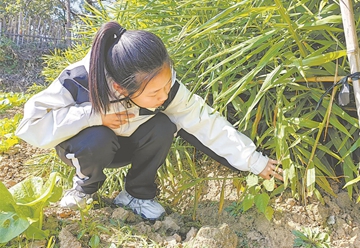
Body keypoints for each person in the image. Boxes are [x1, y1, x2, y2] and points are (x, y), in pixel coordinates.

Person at [15, 21, 283, 221]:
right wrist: (93, 115)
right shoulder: (78, 79)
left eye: (167, 85)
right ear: (121, 88)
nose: (165, 95)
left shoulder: (165, 87)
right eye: (155, 93)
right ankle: (85, 188)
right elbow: (30, 126)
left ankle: (136, 195)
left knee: (164, 125)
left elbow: (206, 122)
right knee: (97, 137)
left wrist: (253, 160)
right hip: (86, 148)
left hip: (127, 145)